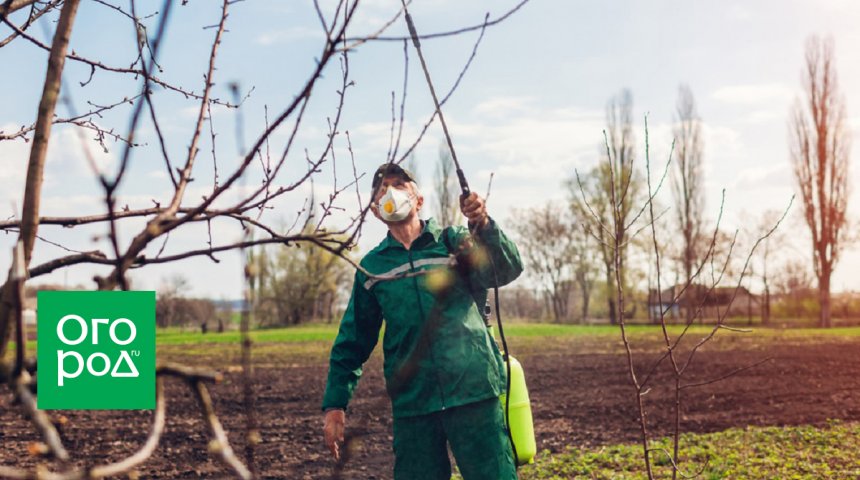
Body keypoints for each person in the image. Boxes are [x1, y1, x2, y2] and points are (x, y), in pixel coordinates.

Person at [322, 162, 523, 480]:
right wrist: (335, 404)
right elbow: (353, 339)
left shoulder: (454, 242)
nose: (390, 192)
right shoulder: (373, 268)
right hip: (414, 402)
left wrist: (482, 223)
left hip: (473, 392)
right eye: (382, 189)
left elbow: (507, 268)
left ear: (418, 200)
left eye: (399, 184)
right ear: (376, 210)